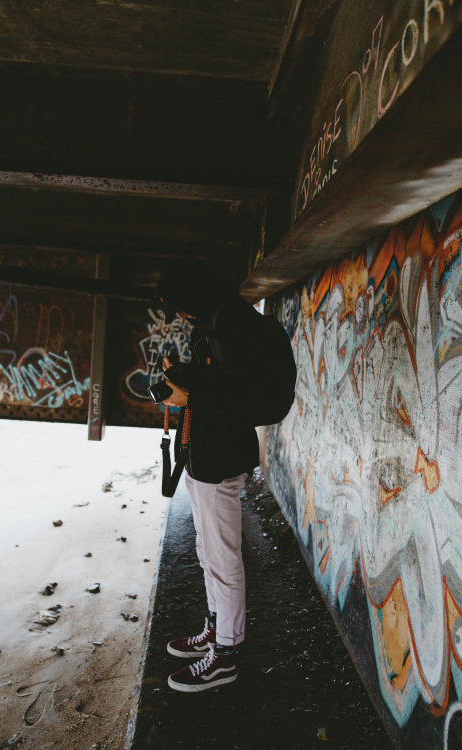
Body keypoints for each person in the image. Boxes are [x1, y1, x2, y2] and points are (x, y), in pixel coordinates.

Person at [155, 259, 276, 693]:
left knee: (224, 560)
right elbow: (221, 382)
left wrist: (191, 391)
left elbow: (243, 393)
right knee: (208, 552)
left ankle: (225, 656)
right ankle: (215, 627)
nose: (181, 315)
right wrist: (185, 383)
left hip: (220, 457)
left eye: (182, 306)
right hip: (203, 455)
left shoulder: (230, 325)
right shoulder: (215, 321)